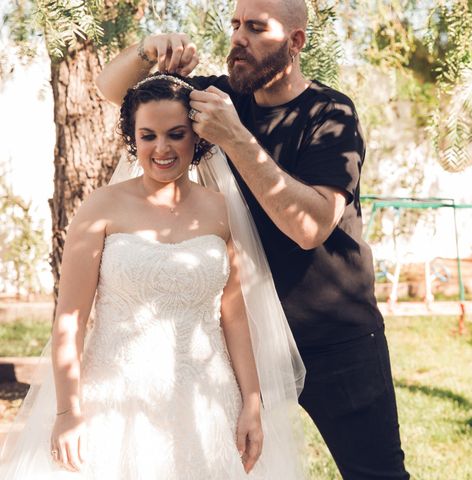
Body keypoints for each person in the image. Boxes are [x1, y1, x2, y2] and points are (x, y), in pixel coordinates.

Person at [97, 1, 410, 478]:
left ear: (295, 41)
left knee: (377, 474)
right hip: (239, 343)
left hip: (335, 338)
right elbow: (111, 90)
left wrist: (237, 138)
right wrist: (146, 52)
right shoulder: (221, 98)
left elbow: (310, 228)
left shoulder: (331, 114)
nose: (238, 38)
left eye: (257, 28)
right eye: (236, 25)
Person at [0, 74, 305, 479]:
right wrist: (68, 411)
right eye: (148, 136)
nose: (161, 148)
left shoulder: (221, 210)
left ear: (196, 137)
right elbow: (69, 321)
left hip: (207, 402)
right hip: (114, 400)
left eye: (175, 134)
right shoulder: (101, 207)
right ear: (133, 139)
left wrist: (252, 399)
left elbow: (234, 318)